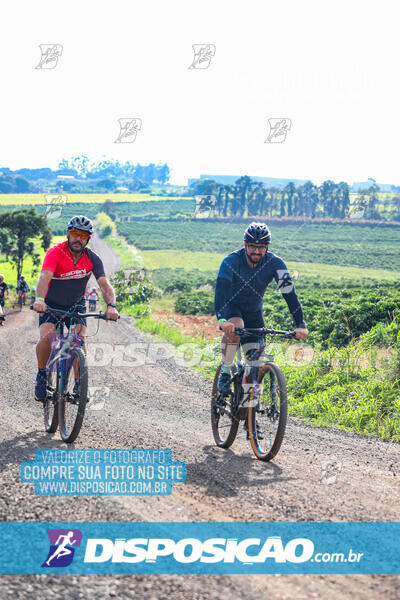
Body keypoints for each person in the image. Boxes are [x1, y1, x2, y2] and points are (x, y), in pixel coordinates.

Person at [215, 222, 309, 396]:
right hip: (232, 309)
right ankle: (225, 372)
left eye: (261, 247)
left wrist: (300, 324)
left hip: (254, 313)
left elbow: (289, 294)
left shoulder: (275, 263)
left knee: (256, 363)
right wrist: (222, 319)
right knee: (237, 327)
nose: (256, 252)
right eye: (252, 247)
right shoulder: (231, 261)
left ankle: (250, 415)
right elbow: (221, 291)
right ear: (245, 245)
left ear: (267, 247)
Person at [32, 215, 119, 401]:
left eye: (83, 235)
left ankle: (79, 383)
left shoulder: (92, 258)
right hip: (51, 303)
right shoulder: (55, 252)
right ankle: (41, 374)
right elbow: (45, 277)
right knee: (48, 336)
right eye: (74, 233)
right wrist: (39, 299)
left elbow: (104, 284)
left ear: (88, 238)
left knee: (79, 340)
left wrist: (111, 305)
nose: (78, 238)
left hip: (76, 304)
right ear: (67, 234)